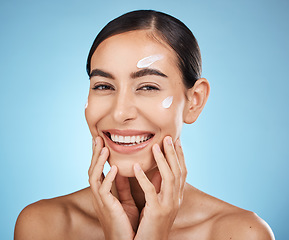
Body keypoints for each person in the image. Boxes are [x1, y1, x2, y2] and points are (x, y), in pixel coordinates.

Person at [14, 10, 274, 240]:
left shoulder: (241, 233)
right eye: (104, 86)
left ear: (194, 101)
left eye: (148, 86)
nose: (120, 113)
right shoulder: (43, 226)